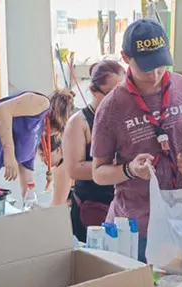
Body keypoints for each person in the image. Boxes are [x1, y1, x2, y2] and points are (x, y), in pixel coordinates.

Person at [91, 19, 182, 285]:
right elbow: (98, 173)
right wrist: (129, 170)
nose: (155, 73)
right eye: (146, 66)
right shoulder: (113, 106)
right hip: (140, 226)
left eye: (161, 63)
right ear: (125, 58)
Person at [61, 60, 125, 242]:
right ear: (94, 91)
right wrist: (120, 168)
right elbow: (74, 169)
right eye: (112, 94)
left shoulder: (125, 116)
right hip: (92, 207)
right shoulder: (79, 123)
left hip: (124, 204)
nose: (120, 100)